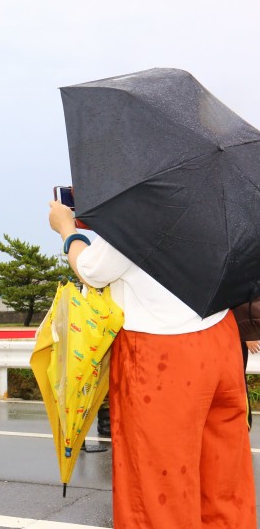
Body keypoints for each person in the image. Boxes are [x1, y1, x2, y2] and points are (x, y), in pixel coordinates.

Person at [49, 200, 256, 528]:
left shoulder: (141, 206)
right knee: (224, 482)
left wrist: (67, 230)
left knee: (160, 488)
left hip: (163, 354)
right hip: (220, 338)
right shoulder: (218, 198)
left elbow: (93, 269)